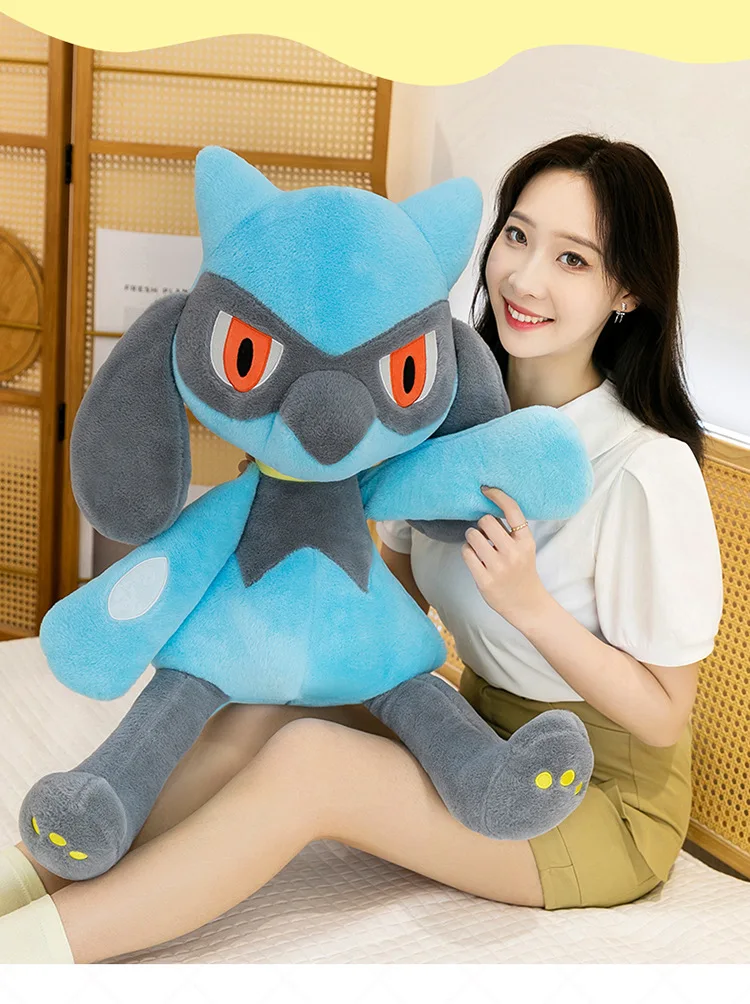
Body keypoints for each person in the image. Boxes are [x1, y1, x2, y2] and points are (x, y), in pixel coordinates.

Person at [0, 134, 723, 963]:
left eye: (573, 259)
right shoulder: (437, 409)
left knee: (312, 763)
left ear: (626, 289)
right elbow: (389, 599)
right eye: (517, 236)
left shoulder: (645, 469)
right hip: (478, 731)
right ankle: (24, 876)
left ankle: (30, 957)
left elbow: (664, 715)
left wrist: (530, 607)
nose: (526, 279)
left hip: (589, 796)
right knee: (258, 699)